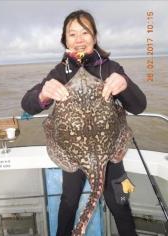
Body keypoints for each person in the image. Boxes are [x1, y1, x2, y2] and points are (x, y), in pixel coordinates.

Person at [21, 10, 146, 236]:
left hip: (110, 154)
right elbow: (28, 104)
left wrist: (124, 83)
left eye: (84, 32)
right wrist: (42, 94)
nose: (79, 39)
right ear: (65, 41)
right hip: (74, 156)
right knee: (68, 203)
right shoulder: (60, 72)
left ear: (95, 37)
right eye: (72, 34)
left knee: (120, 202)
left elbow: (139, 106)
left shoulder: (110, 68)